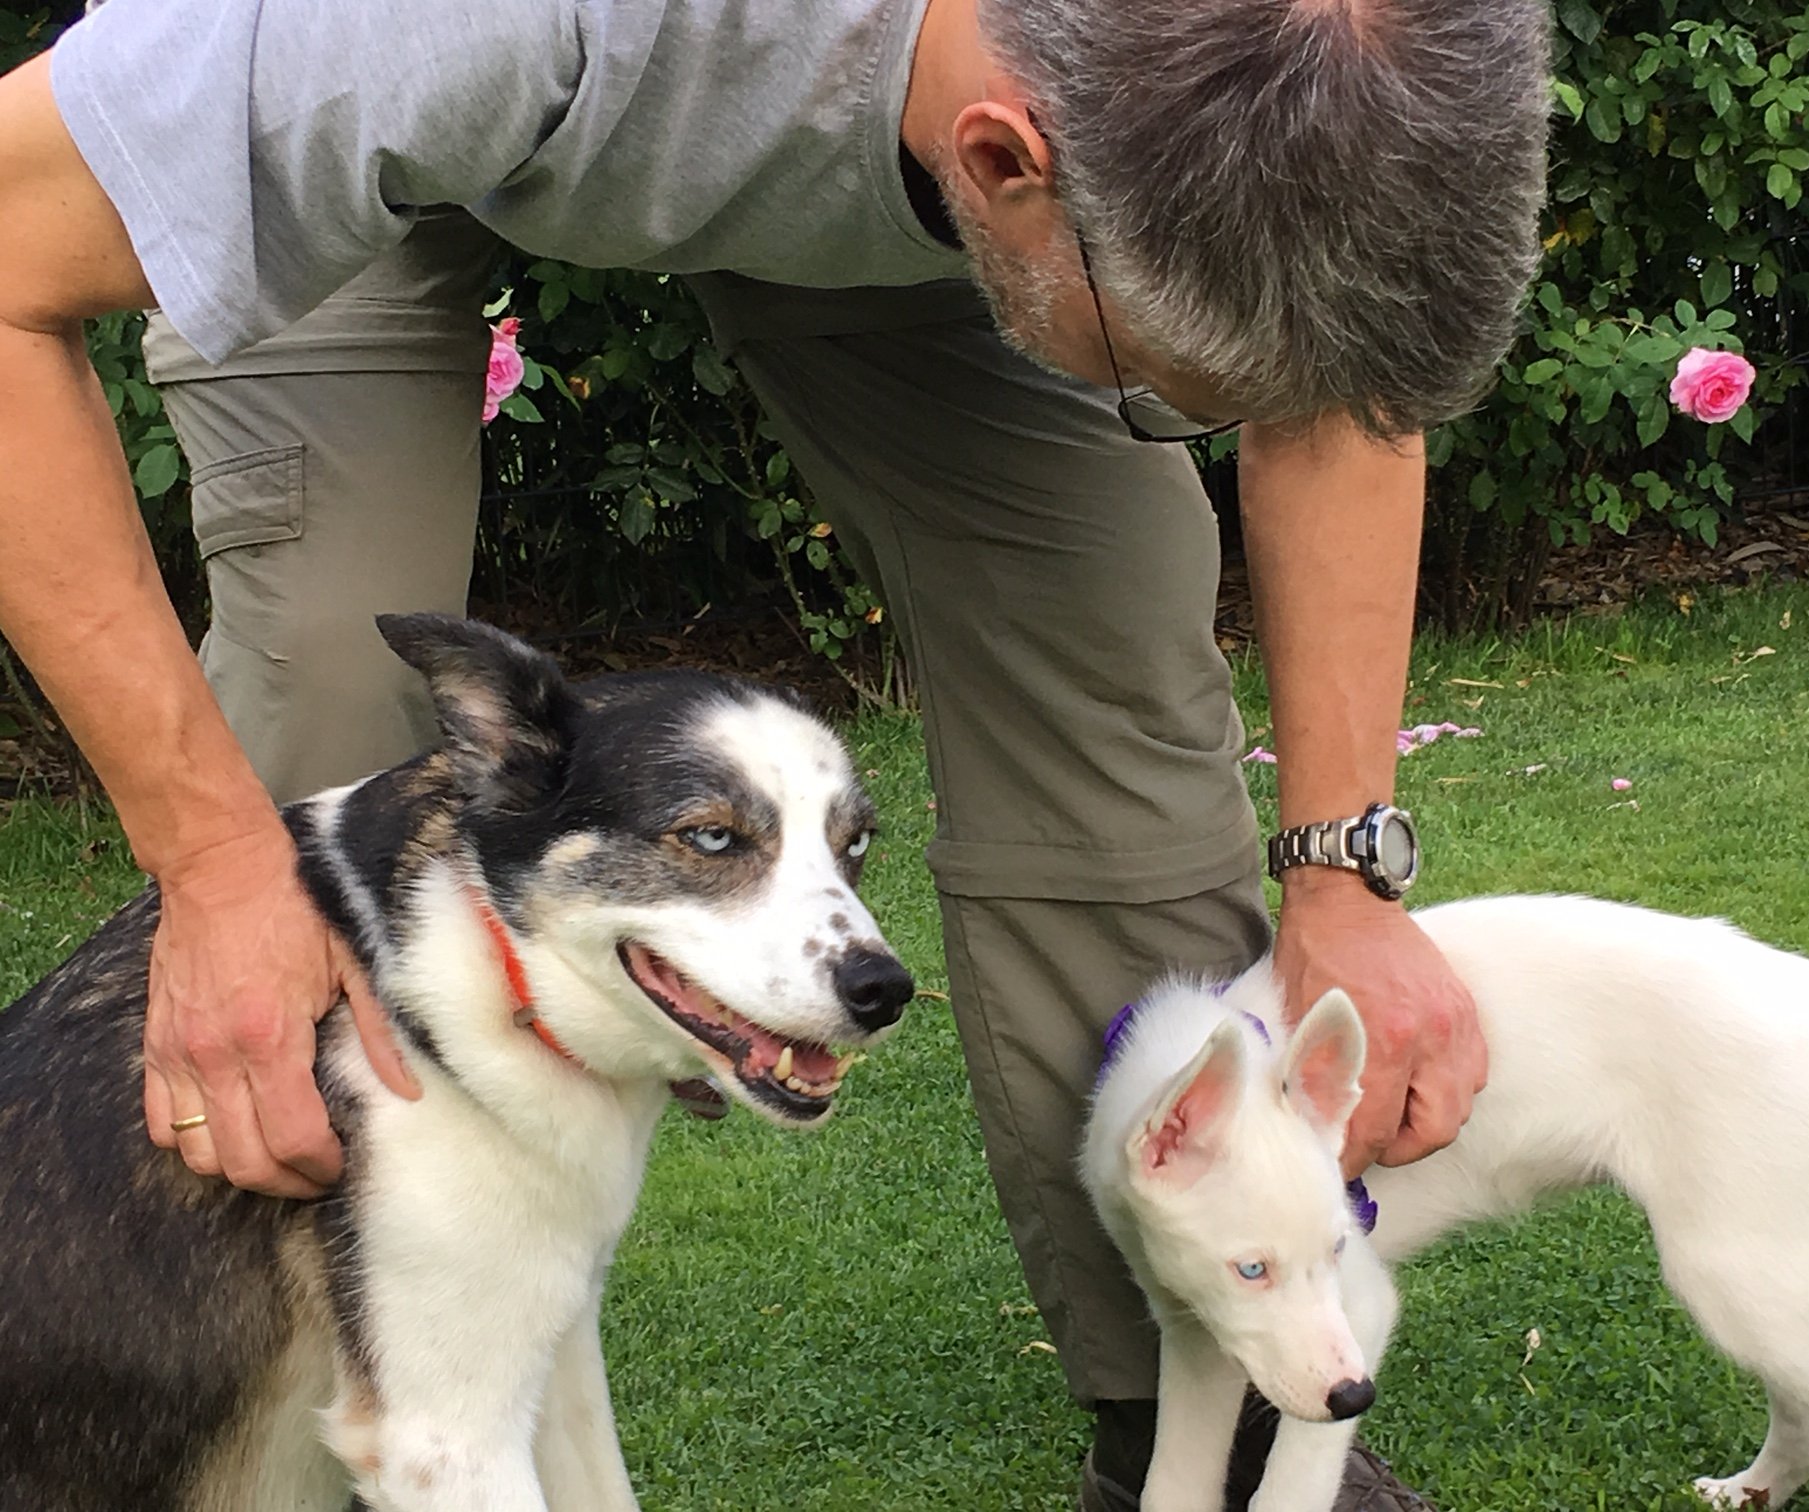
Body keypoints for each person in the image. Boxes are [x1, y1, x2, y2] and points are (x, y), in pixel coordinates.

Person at [0, 0, 1550, 1505]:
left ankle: (1202, 1416)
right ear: (1007, 163)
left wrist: (1344, 874)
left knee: (1106, 673)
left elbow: (1334, 386)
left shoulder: (1291, 56)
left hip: (890, 154)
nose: (1195, 417)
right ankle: (342, 1405)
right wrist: (219, 863)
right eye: (1175, 395)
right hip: (398, 109)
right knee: (323, 757)